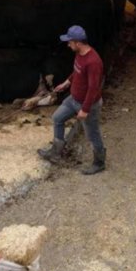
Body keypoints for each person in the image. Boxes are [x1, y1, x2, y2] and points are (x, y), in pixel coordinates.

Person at [38, 25, 106, 175]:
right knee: (57, 117)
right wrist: (66, 83)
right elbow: (76, 71)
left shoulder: (93, 61)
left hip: (88, 103)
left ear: (78, 42)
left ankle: (99, 162)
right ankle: (56, 151)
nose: (68, 45)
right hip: (73, 99)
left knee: (92, 134)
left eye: (69, 42)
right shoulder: (80, 54)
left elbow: (93, 88)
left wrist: (85, 109)